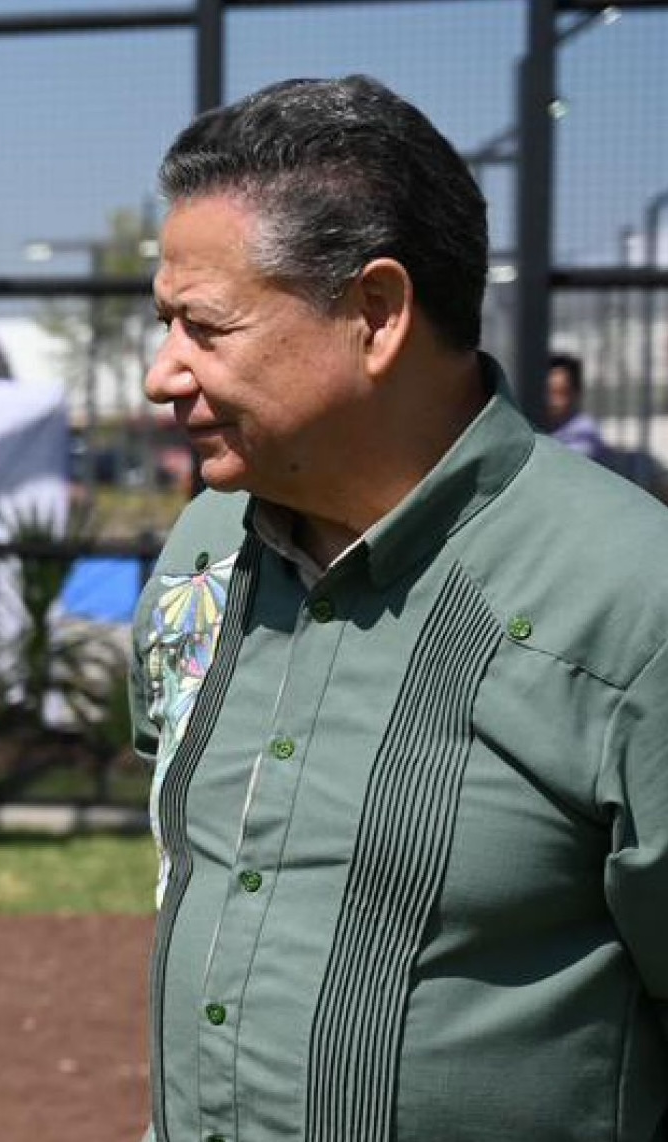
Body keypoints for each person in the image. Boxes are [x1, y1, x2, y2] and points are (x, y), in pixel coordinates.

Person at [130, 75, 668, 1142]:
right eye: (163, 323)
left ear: (376, 315)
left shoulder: (631, 600)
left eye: (205, 327)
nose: (161, 374)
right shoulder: (201, 554)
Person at [545, 351, 614, 466]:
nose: (552, 401)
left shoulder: (584, 432)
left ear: (576, 393)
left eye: (561, 393)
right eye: (548, 393)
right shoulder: (536, 425)